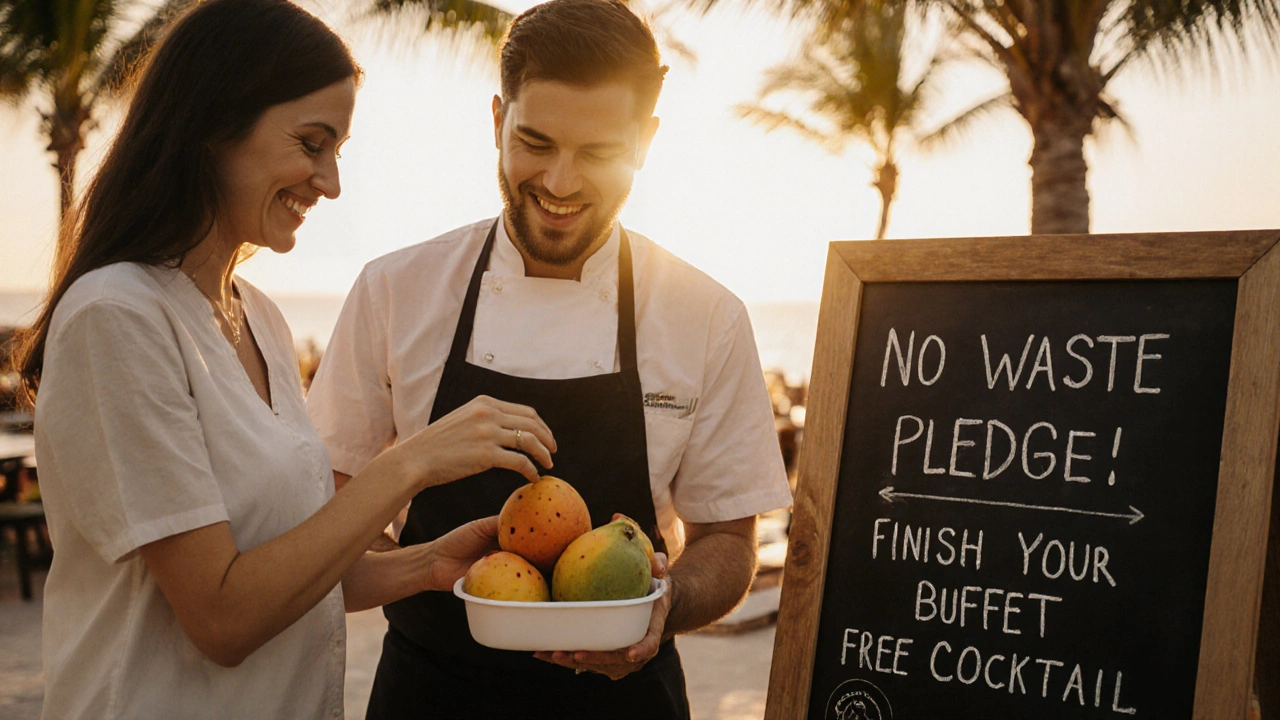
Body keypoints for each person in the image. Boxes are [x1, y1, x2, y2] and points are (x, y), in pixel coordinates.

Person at [12, 1, 555, 717]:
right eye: (310, 143)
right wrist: (411, 462)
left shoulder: (258, 317)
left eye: (337, 151)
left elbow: (301, 572)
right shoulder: (117, 317)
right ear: (212, 127)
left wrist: (427, 563)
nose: (330, 183)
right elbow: (223, 617)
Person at [305, 0, 794, 715]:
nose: (560, 183)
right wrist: (425, 569)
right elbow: (332, 510)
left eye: (598, 153)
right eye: (535, 141)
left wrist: (667, 604)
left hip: (627, 700)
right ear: (497, 120)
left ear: (645, 141)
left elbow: (727, 538)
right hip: (429, 694)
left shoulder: (706, 315)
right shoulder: (395, 290)